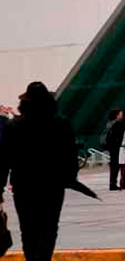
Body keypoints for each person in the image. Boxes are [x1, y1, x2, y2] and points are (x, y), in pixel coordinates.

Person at [0, 82, 78, 260]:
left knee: (28, 229)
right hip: (53, 185)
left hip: (24, 185)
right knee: (49, 227)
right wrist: (69, 177)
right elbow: (71, 156)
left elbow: (4, 159)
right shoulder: (61, 124)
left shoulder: (14, 126)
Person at [106, 109, 125, 191]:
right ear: (117, 115)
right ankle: (121, 183)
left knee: (114, 166)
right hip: (118, 147)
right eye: (120, 114)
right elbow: (121, 135)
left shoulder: (109, 123)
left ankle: (112, 183)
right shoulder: (118, 123)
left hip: (112, 147)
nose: (122, 115)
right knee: (120, 165)